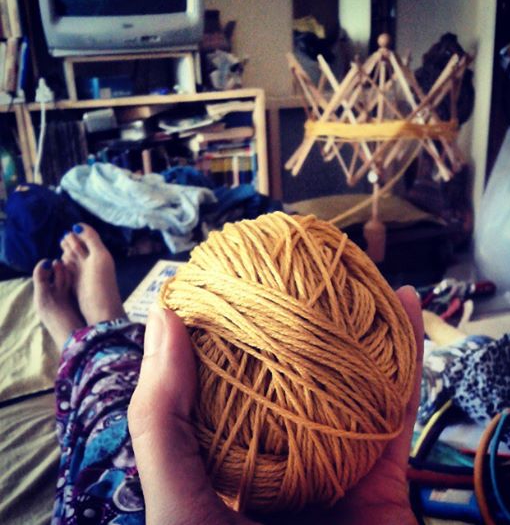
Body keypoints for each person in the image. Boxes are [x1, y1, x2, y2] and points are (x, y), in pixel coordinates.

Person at [33, 223, 424, 525]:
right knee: (112, 429)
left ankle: (91, 338)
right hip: (340, 454)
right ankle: (97, 336)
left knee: (113, 428)